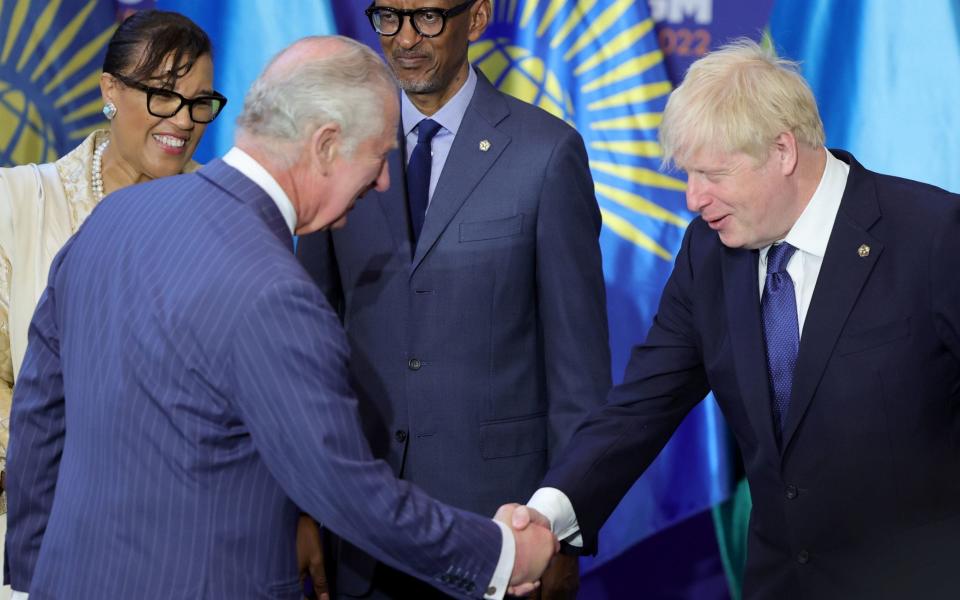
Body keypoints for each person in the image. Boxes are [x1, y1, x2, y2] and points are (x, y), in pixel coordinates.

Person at [3, 36, 557, 599]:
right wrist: (502, 554)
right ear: (325, 146)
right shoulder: (277, 291)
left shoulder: (116, 217)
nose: (384, 180)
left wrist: (26, 580)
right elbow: (347, 491)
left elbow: (40, 419)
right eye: (379, 154)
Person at [503, 39, 960, 599]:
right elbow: (641, 406)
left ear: (783, 152)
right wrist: (548, 516)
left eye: (711, 173)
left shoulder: (933, 235)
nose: (694, 198)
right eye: (687, 175)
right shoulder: (708, 254)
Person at [296, 2, 609, 597]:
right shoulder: (332, 147)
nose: (406, 39)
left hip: (500, 533)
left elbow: (579, 371)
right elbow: (305, 344)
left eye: (428, 18)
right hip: (359, 524)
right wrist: (302, 508)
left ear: (478, 17)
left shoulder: (546, 153)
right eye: (388, 17)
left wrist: (566, 535)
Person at [0, 7, 221, 584]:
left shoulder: (228, 217)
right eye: (163, 95)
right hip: (37, 540)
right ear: (110, 91)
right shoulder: (20, 203)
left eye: (200, 102)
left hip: (183, 543)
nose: (184, 119)